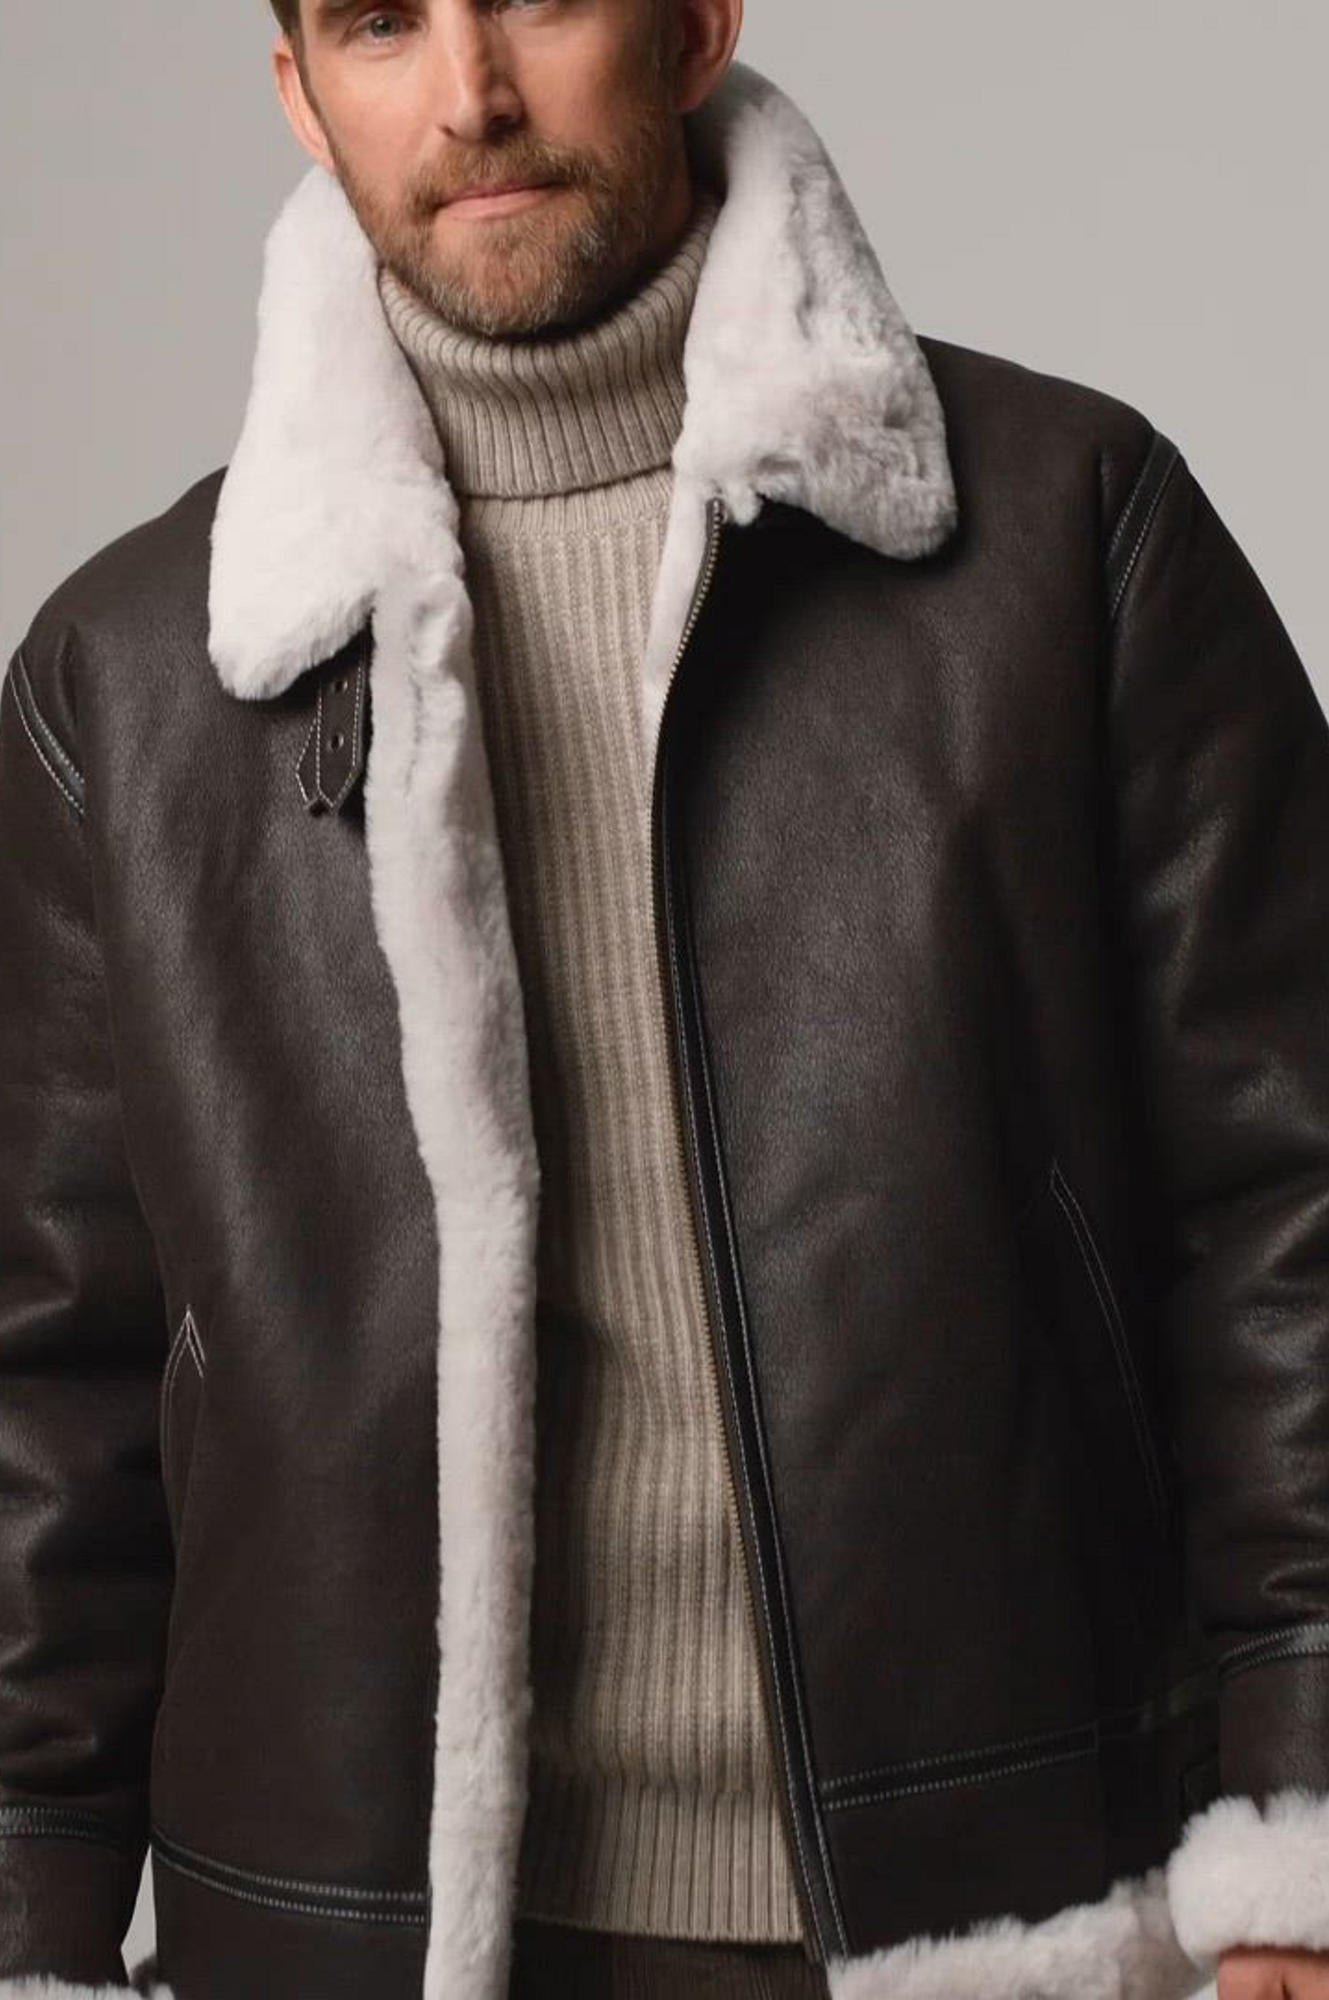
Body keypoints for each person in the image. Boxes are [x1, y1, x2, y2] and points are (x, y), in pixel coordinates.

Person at [1, 1, 1327, 1995]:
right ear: (298, 94)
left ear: (696, 21)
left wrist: (1301, 1823)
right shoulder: (124, 682)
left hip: (991, 1904)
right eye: (379, 23)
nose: (472, 94)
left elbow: (1290, 1211)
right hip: (358, 1936)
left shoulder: (1072, 534)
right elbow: (52, 1384)